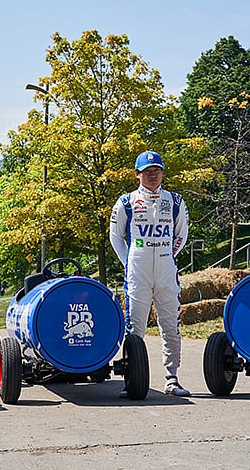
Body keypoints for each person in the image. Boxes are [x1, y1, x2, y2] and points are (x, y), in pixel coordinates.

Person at [109, 150, 190, 397]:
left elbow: (181, 234)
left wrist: (168, 254)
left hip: (166, 270)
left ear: (163, 173)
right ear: (137, 174)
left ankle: (172, 378)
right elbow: (116, 237)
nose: (152, 176)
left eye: (156, 171)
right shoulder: (126, 201)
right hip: (137, 272)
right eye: (147, 172)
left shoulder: (176, 201)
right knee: (135, 328)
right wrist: (130, 262)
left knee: (171, 326)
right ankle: (132, 379)